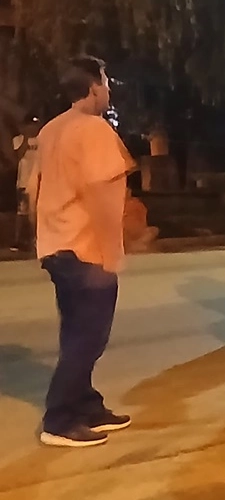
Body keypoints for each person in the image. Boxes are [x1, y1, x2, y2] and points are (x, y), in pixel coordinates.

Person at [34, 56, 136, 447]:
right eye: (106, 81)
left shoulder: (51, 129)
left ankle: (87, 405)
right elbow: (102, 193)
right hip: (85, 247)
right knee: (89, 338)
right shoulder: (93, 130)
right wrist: (110, 255)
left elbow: (34, 188)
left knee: (76, 333)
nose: (108, 89)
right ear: (93, 87)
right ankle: (59, 419)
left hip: (57, 245)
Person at [12, 114, 41, 252]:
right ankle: (17, 240)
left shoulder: (42, 139)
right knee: (22, 212)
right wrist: (26, 138)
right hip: (23, 181)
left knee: (35, 212)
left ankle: (35, 239)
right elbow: (18, 155)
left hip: (37, 181)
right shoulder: (18, 140)